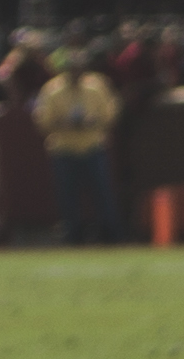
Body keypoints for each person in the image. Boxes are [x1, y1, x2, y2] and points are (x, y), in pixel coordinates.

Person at [36, 49, 124, 245]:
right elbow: (43, 120)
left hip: (93, 147)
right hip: (64, 149)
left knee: (102, 193)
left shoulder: (96, 86)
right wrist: (62, 123)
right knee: (67, 196)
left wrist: (95, 121)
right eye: (72, 68)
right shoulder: (53, 90)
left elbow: (111, 112)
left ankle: (110, 234)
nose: (76, 72)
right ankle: (73, 236)